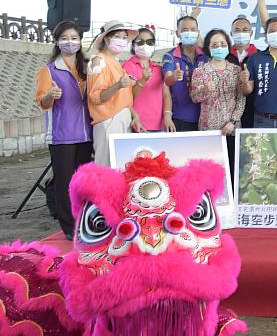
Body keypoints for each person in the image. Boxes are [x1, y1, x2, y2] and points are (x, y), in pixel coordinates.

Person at [34, 20, 93, 238]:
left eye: (74, 38)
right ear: (57, 42)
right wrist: (50, 96)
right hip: (62, 136)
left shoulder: (87, 67)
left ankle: (85, 220)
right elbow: (41, 101)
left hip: (87, 133)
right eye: (65, 38)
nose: (70, 42)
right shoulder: (48, 70)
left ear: (80, 41)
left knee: (83, 181)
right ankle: (69, 226)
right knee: (65, 182)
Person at [87, 20, 144, 166]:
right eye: (118, 36)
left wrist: (134, 114)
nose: (123, 41)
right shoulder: (98, 61)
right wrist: (118, 85)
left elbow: (124, 98)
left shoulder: (115, 62)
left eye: (125, 38)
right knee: (107, 167)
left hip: (122, 118)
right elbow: (96, 97)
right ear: (107, 39)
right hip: (109, 120)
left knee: (120, 166)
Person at [191, 29, 246, 179]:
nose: (219, 48)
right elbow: (194, 97)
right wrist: (205, 89)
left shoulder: (236, 70)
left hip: (231, 128)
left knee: (232, 168)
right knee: (210, 170)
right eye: (215, 45)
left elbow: (241, 99)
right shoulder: (200, 71)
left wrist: (233, 121)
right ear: (208, 48)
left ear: (228, 46)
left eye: (222, 44)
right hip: (208, 129)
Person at [122, 27, 173, 132]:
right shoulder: (128, 66)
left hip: (160, 126)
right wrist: (143, 80)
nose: (145, 45)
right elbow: (128, 96)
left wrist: (168, 117)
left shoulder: (158, 68)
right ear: (133, 45)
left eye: (150, 42)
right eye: (140, 42)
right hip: (138, 126)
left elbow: (166, 95)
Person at [162, 15, 207, 131]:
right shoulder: (170, 56)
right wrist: (174, 77)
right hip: (180, 117)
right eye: (185, 30)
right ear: (178, 33)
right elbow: (167, 80)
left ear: (198, 32)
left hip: (205, 117)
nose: (189, 33)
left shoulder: (206, 56)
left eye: (193, 30)